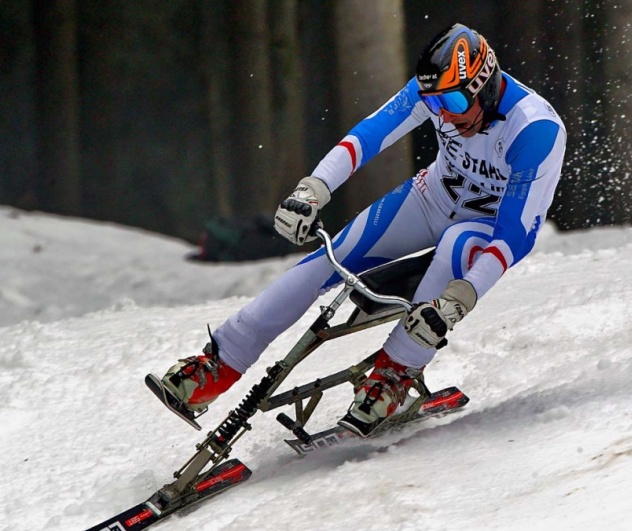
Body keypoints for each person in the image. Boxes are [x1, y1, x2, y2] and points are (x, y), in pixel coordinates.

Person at [157, 23, 567, 438]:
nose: (443, 114)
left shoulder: (534, 129)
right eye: (434, 102)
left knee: (455, 245)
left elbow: (516, 234)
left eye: (454, 101)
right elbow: (369, 135)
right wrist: (313, 188)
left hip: (485, 228)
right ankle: (220, 363)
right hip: (429, 199)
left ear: (487, 84)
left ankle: (394, 374)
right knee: (327, 259)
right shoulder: (442, 94)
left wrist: (463, 297)